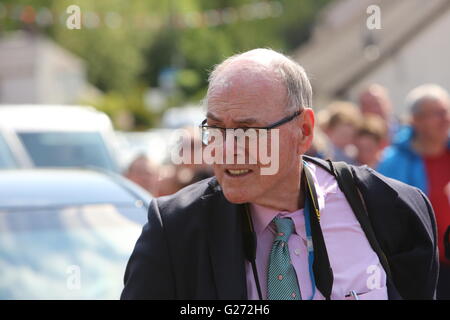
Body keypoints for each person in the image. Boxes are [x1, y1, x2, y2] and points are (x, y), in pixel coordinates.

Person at [121, 49, 438, 300]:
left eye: (247, 131)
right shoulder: (176, 229)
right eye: (215, 129)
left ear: (304, 130)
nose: (225, 149)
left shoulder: (392, 208)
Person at [377, 84, 450, 299]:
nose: (445, 119)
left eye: (446, 111)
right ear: (415, 120)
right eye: (437, 114)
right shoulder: (392, 164)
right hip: (423, 268)